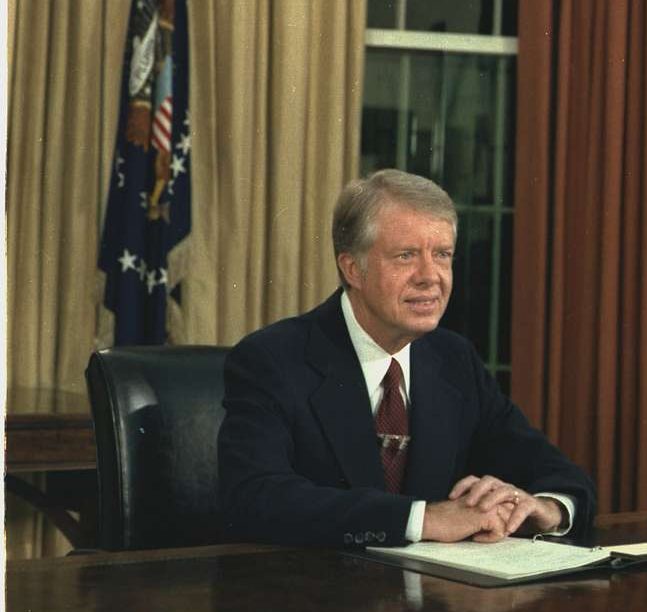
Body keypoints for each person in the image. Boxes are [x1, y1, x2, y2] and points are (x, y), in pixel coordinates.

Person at [218, 169, 595, 548]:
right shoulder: (273, 358)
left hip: (432, 598)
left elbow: (556, 473)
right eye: (406, 256)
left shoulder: (453, 359)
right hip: (314, 597)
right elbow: (254, 497)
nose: (430, 277)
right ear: (353, 269)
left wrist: (545, 508)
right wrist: (423, 520)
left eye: (442, 255)